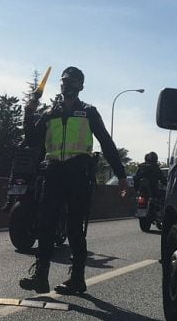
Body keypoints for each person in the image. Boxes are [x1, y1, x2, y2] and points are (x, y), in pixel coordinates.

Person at [19, 66, 130, 295]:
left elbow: (107, 144)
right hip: (53, 173)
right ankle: (41, 277)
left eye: (70, 82)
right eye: (63, 81)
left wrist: (121, 176)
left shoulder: (89, 112)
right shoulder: (50, 112)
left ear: (80, 86)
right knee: (45, 225)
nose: (65, 85)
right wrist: (28, 113)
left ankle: (77, 279)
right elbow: (31, 140)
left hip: (78, 175)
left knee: (74, 229)